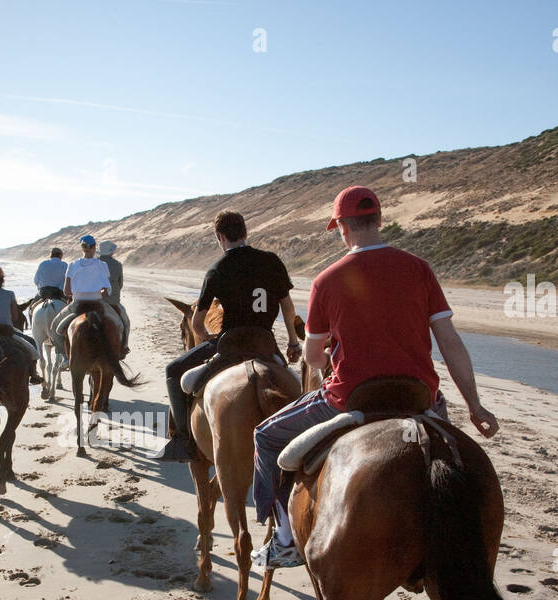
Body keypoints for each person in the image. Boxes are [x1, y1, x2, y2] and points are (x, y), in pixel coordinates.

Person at [249, 185, 500, 570]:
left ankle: (283, 541)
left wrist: (331, 349)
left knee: (265, 437)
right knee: (450, 458)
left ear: (341, 228)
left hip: (349, 398)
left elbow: (314, 358)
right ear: (380, 220)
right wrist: (475, 405)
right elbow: (450, 342)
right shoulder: (419, 269)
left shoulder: (327, 280)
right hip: (420, 397)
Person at [157, 211, 302, 462]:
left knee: (173, 370)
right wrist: (292, 341)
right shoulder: (271, 261)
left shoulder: (217, 269)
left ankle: (182, 441)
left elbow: (198, 322)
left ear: (219, 237)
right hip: (265, 343)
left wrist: (207, 340)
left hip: (230, 346)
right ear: (245, 232)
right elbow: (288, 309)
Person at [51, 235, 130, 358]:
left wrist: (80, 291)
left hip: (77, 304)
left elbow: (66, 291)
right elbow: (107, 290)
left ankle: (65, 357)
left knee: (55, 327)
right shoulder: (102, 265)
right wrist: (95, 292)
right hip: (97, 303)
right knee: (120, 325)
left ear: (81, 248)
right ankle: (121, 349)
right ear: (94, 247)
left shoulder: (72, 265)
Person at [98, 240, 130, 353]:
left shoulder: (94, 263)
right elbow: (120, 284)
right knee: (126, 322)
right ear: (111, 252)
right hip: (112, 302)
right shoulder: (117, 265)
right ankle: (124, 346)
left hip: (93, 300)